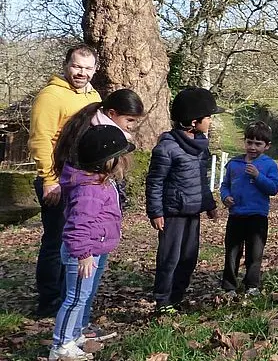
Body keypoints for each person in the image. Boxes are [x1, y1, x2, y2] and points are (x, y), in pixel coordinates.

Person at [47, 88, 143, 342]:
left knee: (81, 293)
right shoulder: (91, 182)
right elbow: (79, 223)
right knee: (76, 296)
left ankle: (76, 332)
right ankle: (63, 343)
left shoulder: (100, 175)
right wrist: (84, 252)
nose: (132, 127)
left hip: (95, 238)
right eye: (130, 121)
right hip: (85, 246)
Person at [29, 44, 101, 318]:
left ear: (94, 70)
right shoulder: (50, 96)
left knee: (76, 238)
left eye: (87, 68)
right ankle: (48, 301)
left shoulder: (94, 95)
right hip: (57, 178)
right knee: (56, 239)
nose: (81, 73)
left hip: (82, 178)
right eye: (76, 66)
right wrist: (49, 179)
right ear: (66, 65)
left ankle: (68, 297)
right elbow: (41, 139)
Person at [145, 87, 222, 313]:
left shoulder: (200, 146)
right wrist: (156, 212)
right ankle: (162, 301)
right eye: (208, 118)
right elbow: (155, 181)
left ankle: (177, 298)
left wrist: (209, 205)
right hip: (173, 213)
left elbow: (201, 179)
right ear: (194, 120)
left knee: (189, 257)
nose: (210, 122)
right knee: (170, 258)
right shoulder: (167, 147)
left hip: (193, 211)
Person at [220, 121, 278, 295]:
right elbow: (225, 185)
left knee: (254, 253)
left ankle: (252, 285)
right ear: (244, 142)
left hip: (257, 216)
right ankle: (229, 285)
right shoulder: (234, 164)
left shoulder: (269, 165)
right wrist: (225, 197)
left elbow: (273, 188)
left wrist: (258, 176)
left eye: (258, 144)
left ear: (267, 146)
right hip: (236, 215)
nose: (252, 147)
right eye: (249, 142)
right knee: (232, 252)